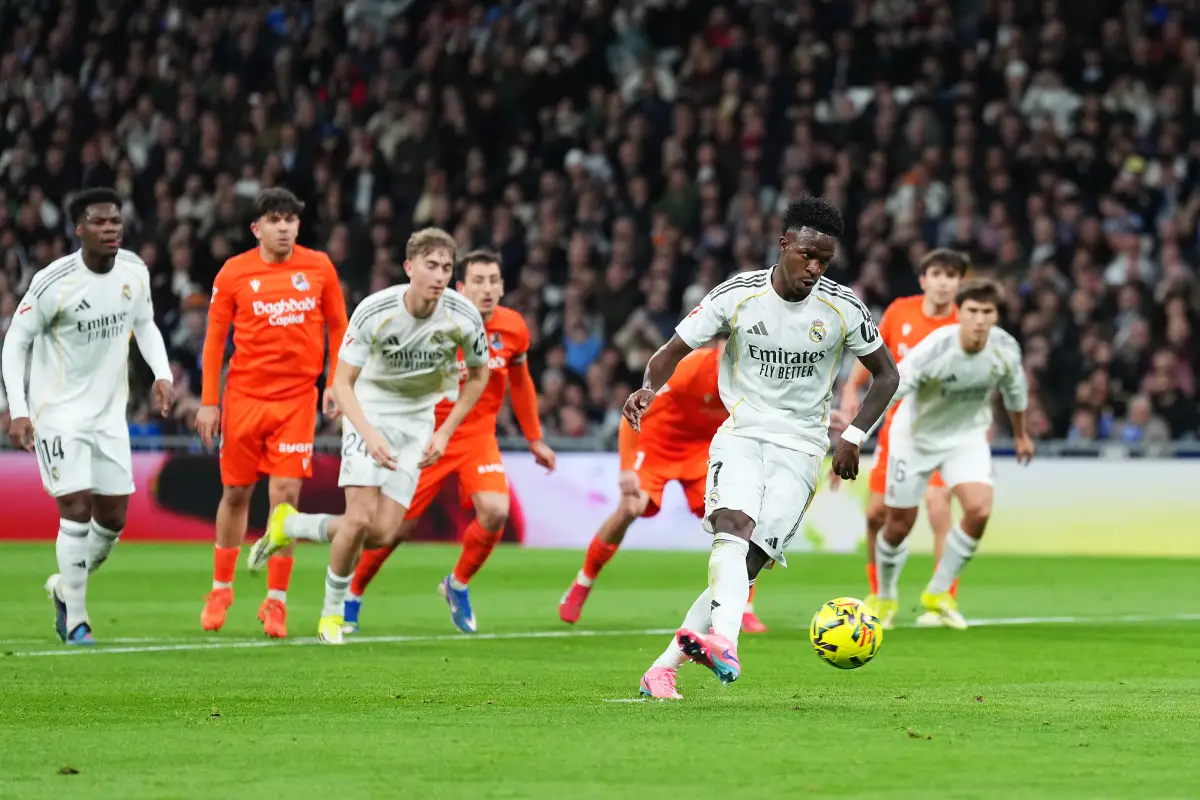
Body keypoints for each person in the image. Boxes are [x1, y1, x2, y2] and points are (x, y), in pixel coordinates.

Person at [626, 196, 900, 700]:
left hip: (802, 447)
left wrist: (854, 436)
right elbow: (672, 352)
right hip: (743, 434)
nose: (814, 268)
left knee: (746, 564)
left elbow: (887, 375)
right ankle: (725, 643)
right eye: (806, 256)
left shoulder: (842, 306)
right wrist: (649, 387)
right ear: (784, 245)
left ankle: (662, 669)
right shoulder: (738, 295)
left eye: (824, 261)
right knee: (732, 527)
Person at [246, 228, 490, 644]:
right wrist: (367, 432)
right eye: (431, 266)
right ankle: (331, 616)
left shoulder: (462, 317)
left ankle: (292, 523)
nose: (439, 276)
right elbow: (342, 382)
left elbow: (480, 375)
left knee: (382, 533)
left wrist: (446, 431)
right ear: (409, 267)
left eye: (447, 268)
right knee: (358, 519)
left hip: (417, 423)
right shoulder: (375, 310)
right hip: (369, 410)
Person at [343, 250, 557, 634]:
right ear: (460, 287)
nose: (487, 288)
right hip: (426, 436)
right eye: (478, 280)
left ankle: (456, 584)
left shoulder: (514, 328)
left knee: (495, 511)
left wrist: (535, 439)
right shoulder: (435, 322)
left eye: (494, 280)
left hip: (476, 436)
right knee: (392, 531)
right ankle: (352, 595)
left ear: (503, 286)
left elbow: (521, 383)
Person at [1, 187, 174, 645]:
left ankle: (65, 584)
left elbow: (146, 324)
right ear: (80, 229)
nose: (110, 228)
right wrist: (17, 410)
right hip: (57, 413)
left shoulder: (134, 271)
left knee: (112, 520)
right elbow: (15, 341)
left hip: (109, 415)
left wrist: (162, 374)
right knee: (75, 507)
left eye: (115, 220)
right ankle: (77, 619)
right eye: (99, 222)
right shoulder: (54, 282)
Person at [195, 188, 348, 639]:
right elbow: (213, 339)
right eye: (275, 220)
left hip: (297, 400)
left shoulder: (319, 266)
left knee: (285, 499)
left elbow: (340, 327)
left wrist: (335, 381)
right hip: (244, 398)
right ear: (256, 228)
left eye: (290, 220)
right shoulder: (234, 272)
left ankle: (275, 602)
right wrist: (209, 401)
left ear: (298, 226)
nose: (283, 227)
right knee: (237, 493)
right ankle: (221, 588)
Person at [558, 340, 770, 633]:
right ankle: (583, 582)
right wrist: (627, 467)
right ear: (719, 346)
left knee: (739, 521)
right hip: (657, 441)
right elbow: (635, 406)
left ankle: (743, 607)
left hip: (703, 452)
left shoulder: (758, 378)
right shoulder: (690, 368)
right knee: (630, 507)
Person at [874, 279, 1034, 630]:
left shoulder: (1006, 348)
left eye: (987, 312)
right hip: (914, 438)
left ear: (996, 315)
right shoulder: (934, 349)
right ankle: (885, 597)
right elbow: (891, 390)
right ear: (959, 313)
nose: (979, 319)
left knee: (979, 509)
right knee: (898, 526)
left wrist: (1021, 435)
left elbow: (1015, 393)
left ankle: (938, 593)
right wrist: (855, 437)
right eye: (972, 311)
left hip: (966, 438)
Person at [836, 249, 965, 623]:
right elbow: (877, 358)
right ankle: (880, 597)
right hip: (898, 431)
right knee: (877, 514)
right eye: (936, 274)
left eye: (951, 275)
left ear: (959, 283)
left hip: (943, 431)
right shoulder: (899, 312)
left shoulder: (965, 322)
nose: (943, 281)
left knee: (940, 510)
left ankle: (942, 599)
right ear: (923, 280)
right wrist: (850, 389)